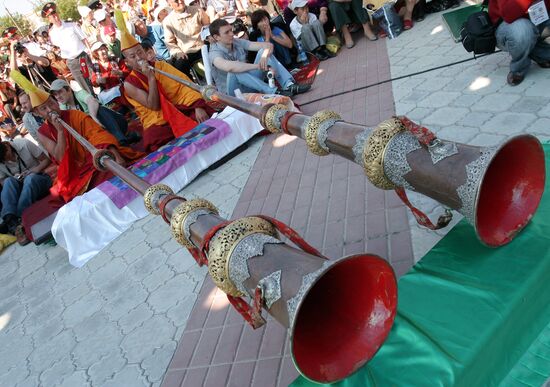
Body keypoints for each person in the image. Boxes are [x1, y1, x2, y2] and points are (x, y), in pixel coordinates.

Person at [28, 79, 143, 204]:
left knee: (110, 168)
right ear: (37, 113)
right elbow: (61, 158)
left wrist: (116, 156)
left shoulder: (75, 115)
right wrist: (60, 131)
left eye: (51, 103)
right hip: (75, 171)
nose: (50, 110)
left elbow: (99, 136)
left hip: (95, 158)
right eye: (44, 108)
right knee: (89, 183)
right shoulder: (43, 132)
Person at [119, 11, 215, 152]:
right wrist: (151, 77)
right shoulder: (129, 84)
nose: (138, 57)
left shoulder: (161, 66)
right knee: (157, 139)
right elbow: (154, 106)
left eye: (140, 52)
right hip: (159, 121)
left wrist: (196, 105)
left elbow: (184, 85)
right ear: (127, 62)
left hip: (181, 107)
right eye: (132, 56)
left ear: (146, 52)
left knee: (204, 116)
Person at [209, 18, 311, 96]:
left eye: (231, 30)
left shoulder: (236, 42)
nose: (232, 34)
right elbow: (230, 67)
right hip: (233, 94)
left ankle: (289, 85)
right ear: (216, 37)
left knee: (264, 52)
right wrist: (258, 66)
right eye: (227, 32)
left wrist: (264, 56)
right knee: (234, 71)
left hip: (251, 84)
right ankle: (274, 92)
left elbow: (268, 45)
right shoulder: (214, 53)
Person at [49, 79, 140, 146]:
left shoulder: (79, 94)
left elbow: (92, 101)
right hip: (95, 133)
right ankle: (125, 140)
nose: (58, 97)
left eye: (60, 92)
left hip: (114, 123)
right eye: (55, 95)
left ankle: (121, 141)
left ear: (69, 90)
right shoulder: (63, 108)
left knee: (99, 110)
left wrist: (94, 118)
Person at [489, 0, 550, 86]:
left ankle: (539, 53)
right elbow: (509, 14)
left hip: (537, 18)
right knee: (523, 31)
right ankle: (519, 68)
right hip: (509, 25)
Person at [0, 139, 52, 239]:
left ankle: (18, 218)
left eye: (8, 156)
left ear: (7, 147)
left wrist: (34, 170)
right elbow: (3, 182)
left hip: (40, 179)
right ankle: (11, 219)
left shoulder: (23, 143)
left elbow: (46, 159)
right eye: (4, 160)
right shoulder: (1, 160)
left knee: (30, 178)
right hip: (21, 186)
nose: (8, 160)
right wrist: (15, 178)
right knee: (8, 182)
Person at [42, 2, 95, 95]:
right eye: (51, 15)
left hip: (82, 56)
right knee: (85, 86)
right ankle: (96, 103)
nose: (54, 16)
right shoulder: (52, 33)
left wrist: (90, 52)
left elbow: (84, 39)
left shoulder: (71, 24)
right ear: (49, 19)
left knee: (94, 79)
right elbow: (57, 47)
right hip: (71, 61)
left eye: (54, 12)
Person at [163, 0, 210, 77]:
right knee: (179, 67)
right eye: (176, 1)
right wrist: (178, 52)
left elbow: (207, 26)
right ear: (170, 4)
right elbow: (170, 43)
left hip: (203, 45)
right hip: (188, 52)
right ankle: (192, 87)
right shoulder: (168, 21)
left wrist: (209, 38)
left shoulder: (197, 10)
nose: (180, 2)